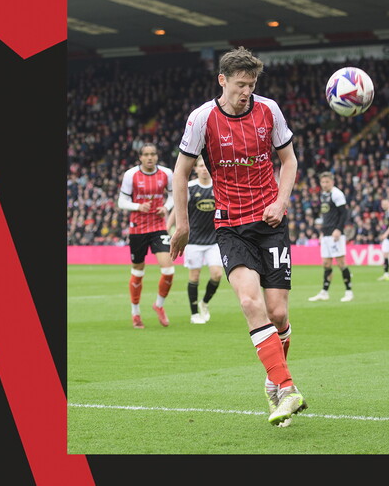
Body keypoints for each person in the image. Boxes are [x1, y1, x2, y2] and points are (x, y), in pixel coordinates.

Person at [170, 46, 306, 427]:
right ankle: (287, 387)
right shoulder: (201, 119)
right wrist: (181, 224)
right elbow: (180, 172)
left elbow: (289, 160)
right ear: (222, 80)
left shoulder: (269, 110)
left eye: (252, 84)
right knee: (250, 302)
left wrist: (281, 201)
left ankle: (272, 380)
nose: (247, 91)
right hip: (230, 225)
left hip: (271, 222)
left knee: (278, 313)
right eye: (241, 84)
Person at [117, 143, 175, 329]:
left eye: (153, 154)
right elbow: (121, 201)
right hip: (137, 228)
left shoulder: (166, 173)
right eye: (146, 155)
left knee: (168, 269)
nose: (150, 158)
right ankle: (135, 313)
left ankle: (159, 305)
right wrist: (137, 206)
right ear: (140, 157)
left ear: (157, 156)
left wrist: (166, 207)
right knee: (138, 271)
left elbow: (174, 195)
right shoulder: (130, 175)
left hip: (158, 226)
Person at [168, 156, 223, 324]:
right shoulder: (190, 187)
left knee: (217, 274)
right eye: (200, 166)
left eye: (206, 165)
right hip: (193, 241)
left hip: (214, 240)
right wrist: (168, 227)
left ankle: (204, 303)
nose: (204, 168)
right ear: (196, 169)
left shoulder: (218, 186)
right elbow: (178, 209)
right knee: (194, 277)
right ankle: (194, 314)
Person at [308, 171, 354, 302]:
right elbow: (326, 215)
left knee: (341, 263)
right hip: (327, 233)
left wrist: (339, 229)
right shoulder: (323, 194)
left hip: (335, 234)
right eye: (322, 182)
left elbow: (344, 213)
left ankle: (349, 291)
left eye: (327, 182)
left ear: (332, 182)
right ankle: (324, 292)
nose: (324, 184)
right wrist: (323, 232)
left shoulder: (337, 194)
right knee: (326, 263)